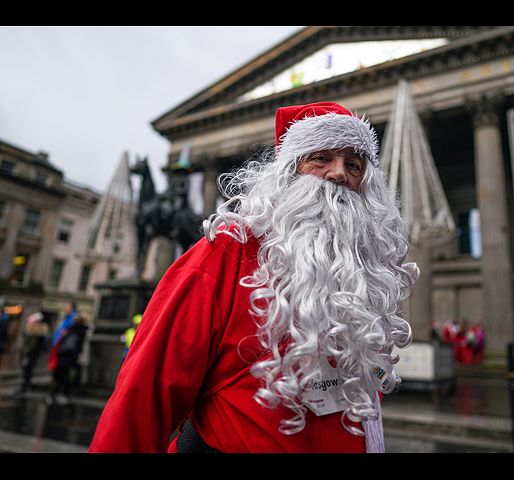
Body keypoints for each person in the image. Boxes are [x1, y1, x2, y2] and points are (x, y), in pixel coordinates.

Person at [89, 102, 418, 453]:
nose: (339, 173)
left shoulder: (361, 275)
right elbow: (145, 394)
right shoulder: (227, 253)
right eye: (321, 158)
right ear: (289, 171)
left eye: (353, 165)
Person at [47, 312, 89, 404]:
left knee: (61, 376)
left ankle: (55, 394)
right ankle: (62, 394)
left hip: (63, 355)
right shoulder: (83, 331)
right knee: (66, 376)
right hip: (71, 356)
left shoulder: (70, 330)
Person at [16, 312, 50, 393]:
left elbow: (31, 346)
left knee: (27, 370)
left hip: (30, 355)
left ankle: (24, 386)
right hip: (30, 355)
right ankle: (25, 385)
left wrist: (25, 351)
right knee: (27, 370)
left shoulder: (37, 333)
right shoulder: (34, 332)